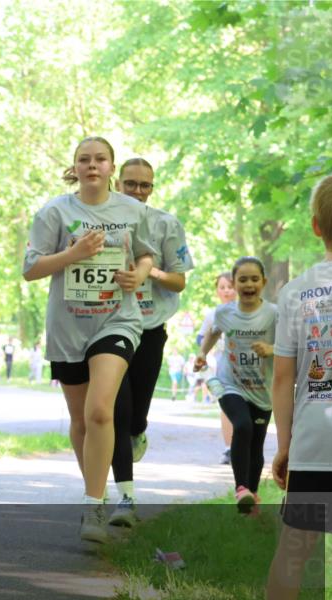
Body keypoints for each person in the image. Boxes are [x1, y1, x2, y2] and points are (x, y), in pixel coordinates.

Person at [23, 135, 153, 544]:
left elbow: (149, 254)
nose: (92, 165)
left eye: (100, 159)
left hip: (117, 320)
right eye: (84, 159)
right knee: (80, 420)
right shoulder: (55, 212)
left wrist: (140, 274)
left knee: (101, 410)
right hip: (68, 327)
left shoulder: (132, 210)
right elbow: (31, 268)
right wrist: (72, 255)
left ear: (112, 167)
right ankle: (92, 495)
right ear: (75, 167)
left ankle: (94, 505)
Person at [253, 170, 332, 600]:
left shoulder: (296, 293)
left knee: (294, 549)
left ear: (315, 226)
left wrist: (284, 445)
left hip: (317, 440)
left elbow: (283, 379)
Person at [107, 158, 194, 528]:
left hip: (150, 328)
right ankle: (125, 499)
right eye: (130, 184)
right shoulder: (102, 218)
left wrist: (150, 269)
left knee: (136, 415)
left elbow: (179, 282)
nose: (138, 191)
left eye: (145, 185)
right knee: (117, 412)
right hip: (109, 327)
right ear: (117, 183)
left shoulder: (166, 224)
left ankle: (139, 431)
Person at [196, 257, 277, 513]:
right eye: (243, 279)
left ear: (263, 282)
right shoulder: (224, 312)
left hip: (262, 390)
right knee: (242, 426)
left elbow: (290, 344)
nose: (249, 284)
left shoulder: (273, 314)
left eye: (254, 279)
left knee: (256, 444)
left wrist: (271, 349)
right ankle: (241, 488)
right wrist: (202, 353)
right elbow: (214, 331)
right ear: (235, 283)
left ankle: (250, 498)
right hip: (229, 383)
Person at [199, 272, 237, 462]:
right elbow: (202, 338)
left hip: (245, 366)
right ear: (217, 291)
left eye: (230, 287)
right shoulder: (212, 314)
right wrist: (202, 356)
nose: (227, 291)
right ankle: (229, 448)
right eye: (222, 287)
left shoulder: (247, 311)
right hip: (222, 366)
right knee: (226, 406)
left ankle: (247, 446)